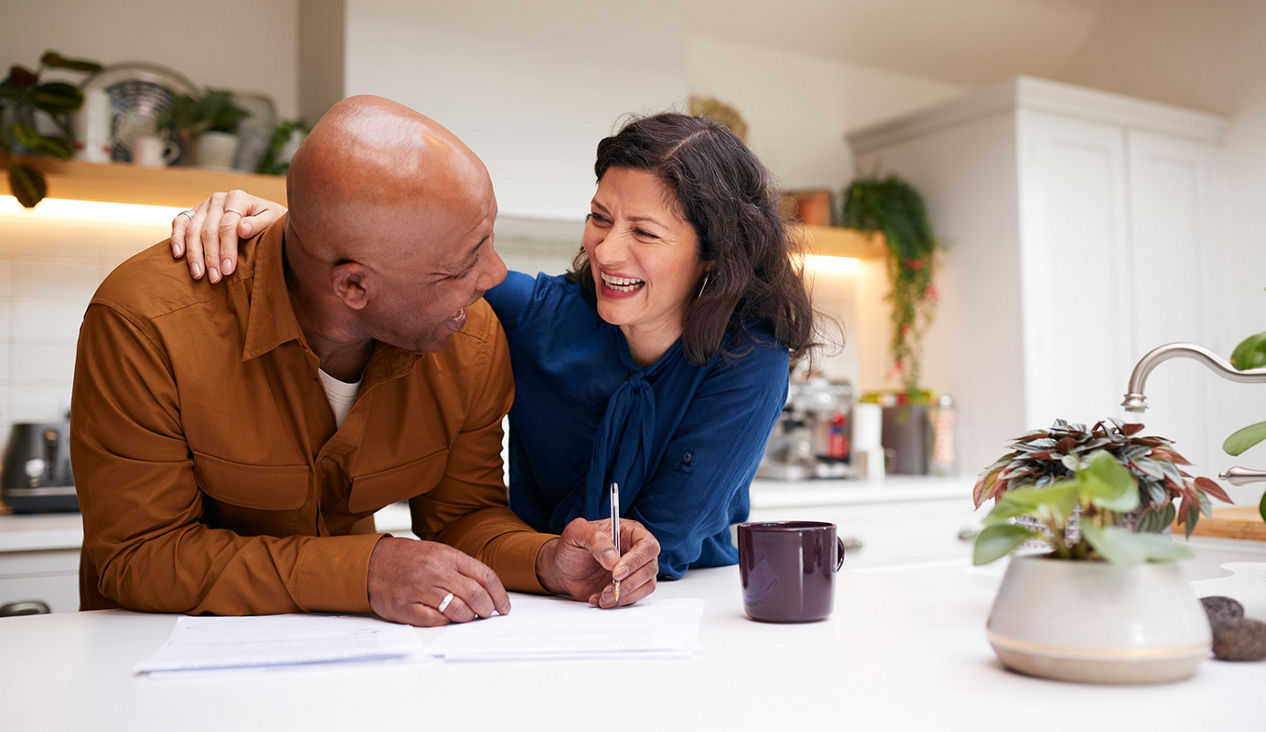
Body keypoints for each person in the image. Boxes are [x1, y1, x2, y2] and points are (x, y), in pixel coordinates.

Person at [70, 95, 659, 626]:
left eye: (488, 239)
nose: (495, 276)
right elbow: (139, 555)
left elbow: (462, 517)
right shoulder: (146, 323)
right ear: (353, 288)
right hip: (151, 661)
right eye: (461, 265)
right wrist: (365, 572)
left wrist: (548, 559)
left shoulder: (468, 336)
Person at [172, 113, 820, 579]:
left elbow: (664, 543)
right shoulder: (542, 317)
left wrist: (617, 559)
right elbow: (405, 268)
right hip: (537, 586)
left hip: (676, 605)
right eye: (600, 217)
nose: (607, 249)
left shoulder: (748, 362)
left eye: (644, 231)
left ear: (714, 256)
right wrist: (287, 227)